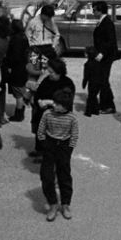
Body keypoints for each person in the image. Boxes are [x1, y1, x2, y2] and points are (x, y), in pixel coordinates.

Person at [38, 88, 77, 221]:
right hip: (50, 144)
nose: (54, 105)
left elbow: (74, 135)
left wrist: (69, 149)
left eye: (58, 104)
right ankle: (53, 204)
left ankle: (65, 204)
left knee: (64, 175)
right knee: (46, 176)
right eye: (54, 102)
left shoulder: (72, 118)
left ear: (65, 106)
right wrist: (45, 144)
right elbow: (41, 131)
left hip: (64, 146)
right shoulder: (47, 114)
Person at [32, 57, 75, 160]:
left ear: (58, 72)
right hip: (43, 112)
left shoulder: (67, 83)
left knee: (51, 138)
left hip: (58, 116)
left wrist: (49, 102)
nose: (48, 74)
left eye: (51, 72)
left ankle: (48, 157)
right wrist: (39, 101)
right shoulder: (47, 80)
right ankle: (40, 150)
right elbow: (39, 93)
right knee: (40, 131)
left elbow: (66, 102)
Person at [83, 1, 117, 116]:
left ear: (100, 10)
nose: (93, 12)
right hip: (101, 55)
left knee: (103, 80)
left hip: (106, 56)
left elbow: (110, 41)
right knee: (103, 79)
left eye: (94, 10)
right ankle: (106, 104)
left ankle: (108, 105)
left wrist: (102, 53)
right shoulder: (101, 22)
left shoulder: (107, 23)